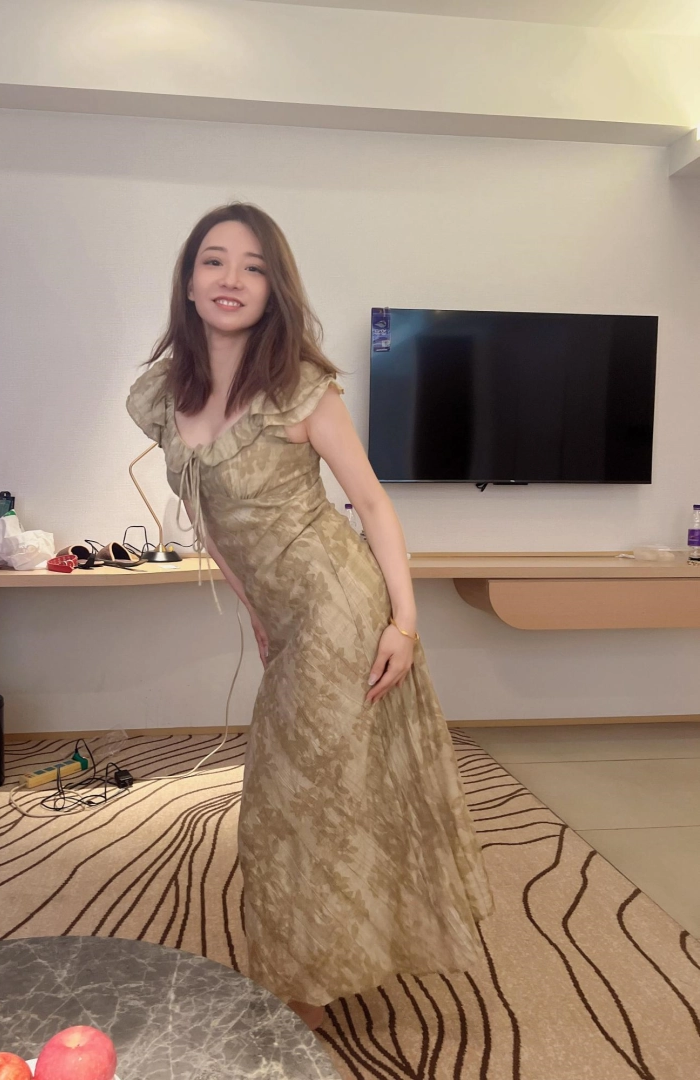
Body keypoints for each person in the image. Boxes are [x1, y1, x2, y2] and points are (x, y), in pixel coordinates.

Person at [126, 203, 494, 1032]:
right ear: (189, 281)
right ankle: (331, 956)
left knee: (295, 794)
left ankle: (308, 988)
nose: (231, 279)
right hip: (286, 619)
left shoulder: (300, 387)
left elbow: (372, 503)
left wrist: (404, 624)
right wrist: (256, 614)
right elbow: (209, 522)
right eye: (214, 261)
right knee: (321, 787)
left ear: (274, 288)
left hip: (339, 606)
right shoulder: (164, 396)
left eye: (253, 266)